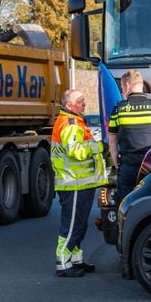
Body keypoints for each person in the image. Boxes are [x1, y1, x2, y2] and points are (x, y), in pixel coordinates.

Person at [51, 89, 108, 277]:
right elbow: (75, 151)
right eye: (80, 101)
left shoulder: (76, 122)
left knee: (79, 225)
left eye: (84, 101)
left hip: (79, 183)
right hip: (73, 183)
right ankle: (63, 263)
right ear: (69, 105)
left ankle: (76, 260)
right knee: (72, 225)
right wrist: (99, 146)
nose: (84, 104)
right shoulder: (70, 123)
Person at [108, 70, 151, 201]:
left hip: (128, 166)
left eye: (121, 87)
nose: (122, 90)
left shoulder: (118, 110)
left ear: (127, 86)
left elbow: (112, 144)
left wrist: (118, 165)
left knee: (126, 205)